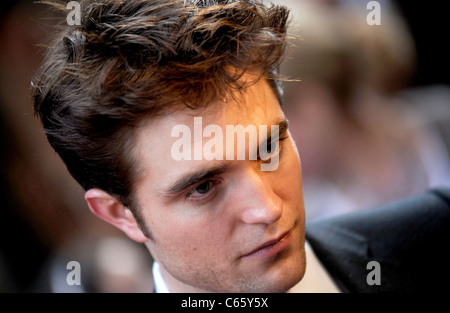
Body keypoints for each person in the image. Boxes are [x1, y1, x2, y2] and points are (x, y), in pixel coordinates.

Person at [32, 0, 450, 293]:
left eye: (269, 149)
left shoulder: (434, 243)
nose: (267, 208)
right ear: (122, 214)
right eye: (203, 187)